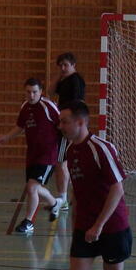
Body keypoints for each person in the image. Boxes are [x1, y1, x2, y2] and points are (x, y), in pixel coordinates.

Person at [52, 101, 131, 270]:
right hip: (84, 225)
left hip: (112, 225)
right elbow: (78, 188)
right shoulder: (71, 150)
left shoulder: (100, 148)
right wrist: (76, 217)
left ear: (80, 122)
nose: (60, 126)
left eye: (64, 121)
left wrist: (99, 225)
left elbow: (117, 189)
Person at [0, 78, 61, 236]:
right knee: (34, 188)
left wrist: (66, 146)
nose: (31, 95)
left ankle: (28, 222)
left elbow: (62, 124)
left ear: (41, 92)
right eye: (28, 92)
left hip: (48, 154)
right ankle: (54, 203)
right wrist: (6, 137)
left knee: (31, 187)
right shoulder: (25, 107)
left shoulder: (48, 106)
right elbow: (20, 126)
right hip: (32, 154)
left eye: (34, 92)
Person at [48, 52, 87, 213]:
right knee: (63, 162)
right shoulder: (64, 80)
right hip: (64, 124)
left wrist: (70, 125)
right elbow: (50, 92)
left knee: (61, 162)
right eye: (60, 65)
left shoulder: (76, 81)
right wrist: (59, 75)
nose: (63, 68)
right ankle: (65, 197)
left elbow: (78, 104)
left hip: (68, 127)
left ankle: (63, 200)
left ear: (73, 65)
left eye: (66, 65)